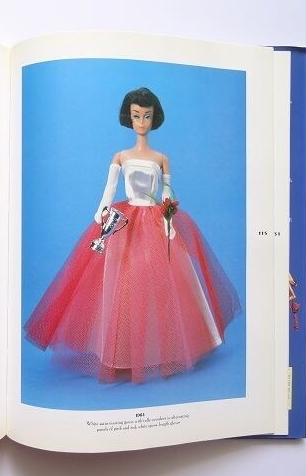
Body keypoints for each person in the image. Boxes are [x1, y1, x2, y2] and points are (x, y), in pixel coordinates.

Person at [24, 87, 240, 383]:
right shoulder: (121, 156)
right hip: (125, 220)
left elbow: (166, 192)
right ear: (129, 117)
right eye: (137, 116)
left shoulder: (161, 158)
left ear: (154, 118)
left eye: (147, 116)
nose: (141, 122)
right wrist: (101, 211)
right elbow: (110, 188)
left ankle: (161, 348)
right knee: (122, 279)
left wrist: (168, 217)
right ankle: (120, 350)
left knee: (161, 280)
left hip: (154, 219)